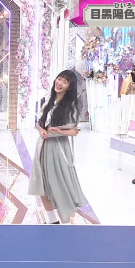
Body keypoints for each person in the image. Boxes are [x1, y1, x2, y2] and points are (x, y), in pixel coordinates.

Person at [28, 70, 88, 224]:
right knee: (41, 184)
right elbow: (39, 122)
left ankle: (65, 222)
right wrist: (41, 130)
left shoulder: (70, 106)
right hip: (42, 147)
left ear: (69, 87)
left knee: (58, 184)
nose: (60, 83)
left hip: (58, 149)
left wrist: (59, 132)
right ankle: (52, 221)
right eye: (59, 79)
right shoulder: (48, 100)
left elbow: (75, 131)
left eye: (65, 82)